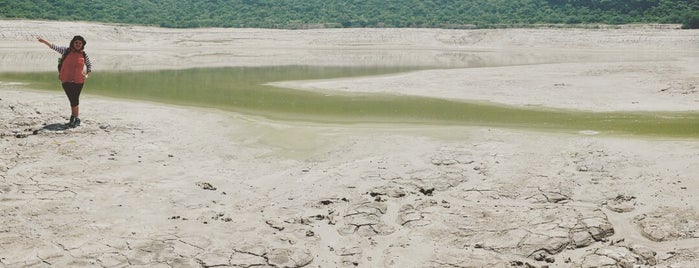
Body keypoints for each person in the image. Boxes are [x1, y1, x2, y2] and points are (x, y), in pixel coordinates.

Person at [38, 35, 93, 128]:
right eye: (76, 43)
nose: (78, 44)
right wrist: (44, 41)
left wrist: (87, 75)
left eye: (80, 43)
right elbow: (54, 47)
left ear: (82, 44)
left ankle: (75, 118)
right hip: (66, 79)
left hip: (78, 81)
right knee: (72, 99)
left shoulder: (84, 54)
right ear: (73, 43)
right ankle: (75, 118)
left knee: (74, 99)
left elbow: (89, 65)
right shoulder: (66, 51)